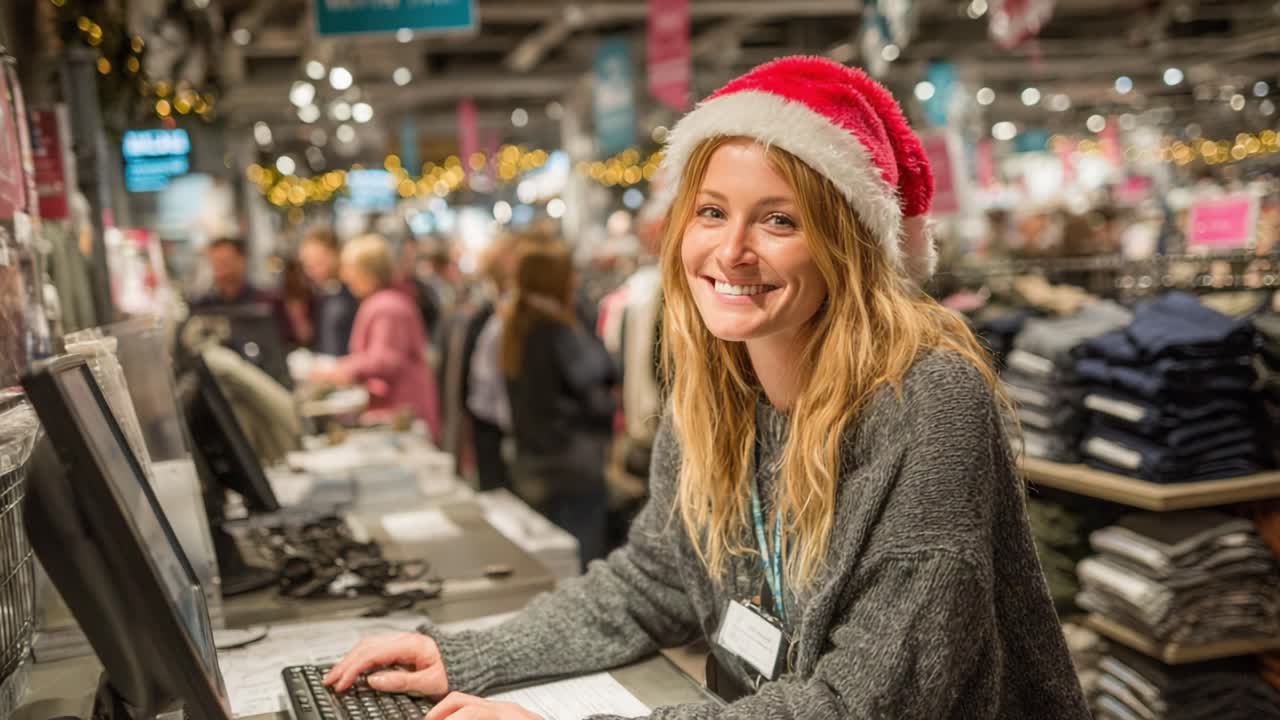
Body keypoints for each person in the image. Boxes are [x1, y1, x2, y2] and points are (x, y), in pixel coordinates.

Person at [324, 56, 1089, 719]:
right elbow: (650, 579)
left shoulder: (929, 403)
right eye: (712, 213)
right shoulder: (719, 386)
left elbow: (870, 700)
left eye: (780, 221)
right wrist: (461, 657)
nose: (731, 251)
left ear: (848, 248)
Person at [500, 242, 615, 564]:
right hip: (571, 459)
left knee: (549, 558)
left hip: (532, 458)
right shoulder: (556, 328)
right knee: (582, 557)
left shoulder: (516, 325)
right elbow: (597, 377)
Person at [309, 234, 441, 440]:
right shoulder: (385, 301)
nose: (345, 276)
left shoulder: (386, 306)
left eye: (350, 268)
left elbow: (385, 359)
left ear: (367, 270)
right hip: (397, 408)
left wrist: (338, 369)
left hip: (401, 409)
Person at [298, 228, 359, 356]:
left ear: (335, 254)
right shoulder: (325, 294)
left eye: (317, 262)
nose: (310, 271)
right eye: (307, 265)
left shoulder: (355, 290)